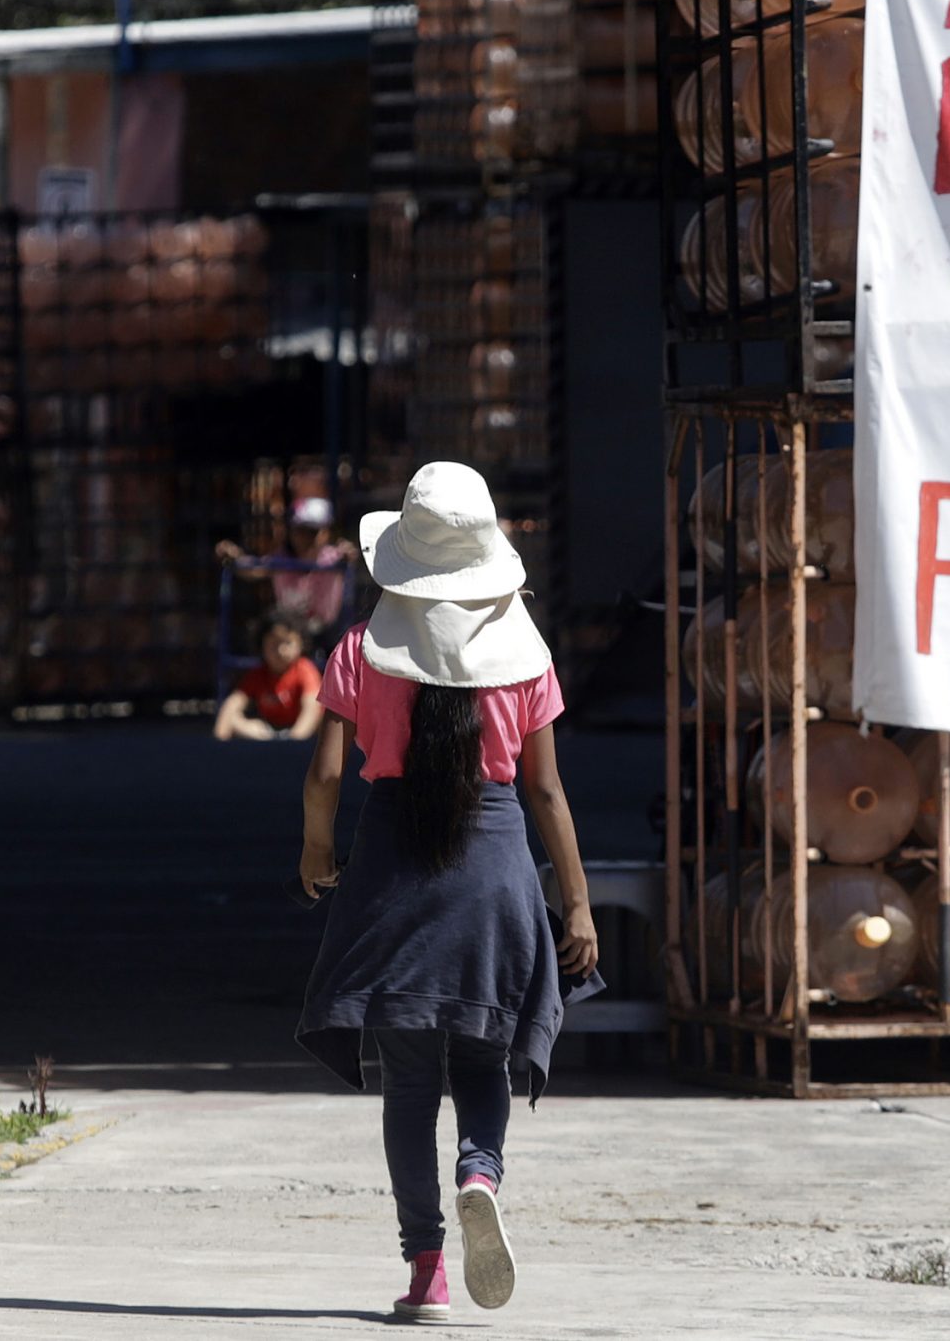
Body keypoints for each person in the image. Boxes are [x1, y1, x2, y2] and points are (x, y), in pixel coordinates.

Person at [293, 461, 599, 1321]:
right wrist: (574, 902)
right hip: (494, 873)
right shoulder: (527, 656)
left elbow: (324, 776)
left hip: (394, 870)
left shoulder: (358, 651)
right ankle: (480, 1171)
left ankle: (426, 1271)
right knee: (485, 1053)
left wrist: (317, 854)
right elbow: (543, 790)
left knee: (409, 1083)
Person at [216, 496, 354, 643]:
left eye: (313, 532)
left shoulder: (334, 558)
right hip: (290, 632)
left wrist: (349, 555)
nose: (306, 538)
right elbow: (254, 570)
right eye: (300, 530)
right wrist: (235, 557)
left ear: (326, 533)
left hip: (326, 632)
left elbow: (351, 556)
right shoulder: (281, 558)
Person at [214, 613, 324, 742]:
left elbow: (311, 710)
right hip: (268, 735)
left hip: (302, 738)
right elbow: (232, 705)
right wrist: (219, 740)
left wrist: (294, 741)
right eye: (273, 644)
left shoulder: (305, 670)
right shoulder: (257, 674)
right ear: (262, 646)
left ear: (300, 644)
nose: (280, 650)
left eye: (288, 643)